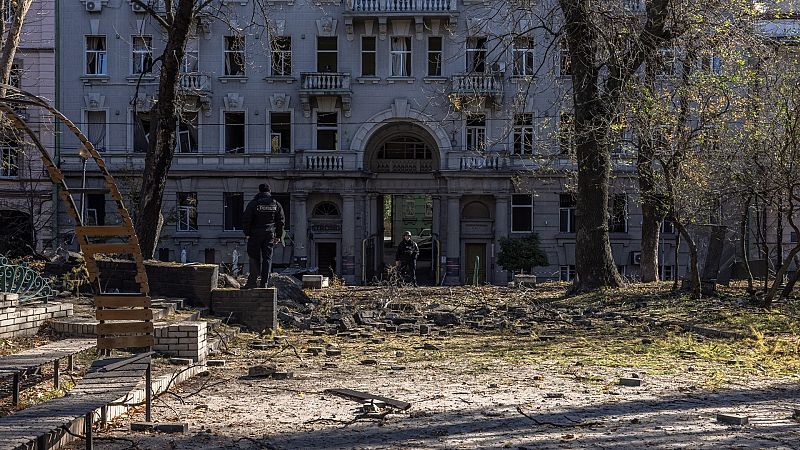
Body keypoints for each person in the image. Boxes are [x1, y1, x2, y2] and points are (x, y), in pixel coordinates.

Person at [241, 183, 285, 289]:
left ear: (259, 191)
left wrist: (247, 233)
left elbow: (246, 219)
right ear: (269, 191)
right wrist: (278, 236)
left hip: (255, 234)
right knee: (267, 259)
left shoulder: (253, 203)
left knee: (254, 258)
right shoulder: (275, 204)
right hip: (269, 234)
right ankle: (264, 283)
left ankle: (252, 282)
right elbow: (281, 221)